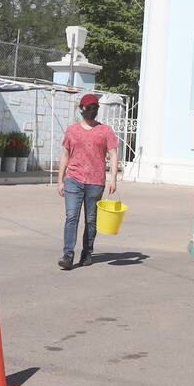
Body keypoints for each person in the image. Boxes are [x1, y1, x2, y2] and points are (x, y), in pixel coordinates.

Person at [56, 93, 119, 270]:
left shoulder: (105, 131)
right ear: (81, 109)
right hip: (73, 179)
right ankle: (68, 255)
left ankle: (87, 252)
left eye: (95, 108)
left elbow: (113, 154)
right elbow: (65, 154)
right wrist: (60, 180)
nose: (92, 111)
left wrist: (113, 178)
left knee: (91, 220)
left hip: (95, 181)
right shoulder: (72, 130)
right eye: (89, 108)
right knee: (71, 217)